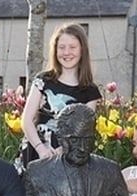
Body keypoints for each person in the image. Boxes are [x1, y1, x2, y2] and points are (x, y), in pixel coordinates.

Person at [20, 22, 102, 166]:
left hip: (68, 157)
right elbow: (26, 121)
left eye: (72, 47)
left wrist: (63, 150)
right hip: (35, 151)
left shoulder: (90, 91)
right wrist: (41, 149)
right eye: (62, 47)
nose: (66, 52)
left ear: (82, 50)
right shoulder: (43, 81)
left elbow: (84, 131)